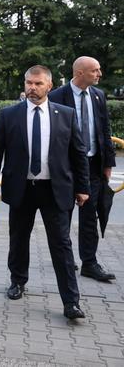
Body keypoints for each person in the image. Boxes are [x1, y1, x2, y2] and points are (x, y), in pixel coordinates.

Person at [0, 65, 89, 320]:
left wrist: (83, 187)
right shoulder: (10, 115)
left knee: (61, 245)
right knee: (19, 238)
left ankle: (71, 302)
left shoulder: (65, 114)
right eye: (29, 83)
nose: (32, 87)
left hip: (55, 190)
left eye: (38, 83)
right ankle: (17, 281)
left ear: (49, 86)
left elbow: (78, 153)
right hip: (22, 189)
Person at [48, 56, 117, 282]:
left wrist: (108, 163)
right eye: (95, 71)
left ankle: (90, 262)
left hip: (93, 165)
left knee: (90, 216)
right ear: (79, 73)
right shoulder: (56, 96)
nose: (99, 74)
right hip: (66, 167)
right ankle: (64, 259)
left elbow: (104, 129)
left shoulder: (98, 96)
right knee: (63, 214)